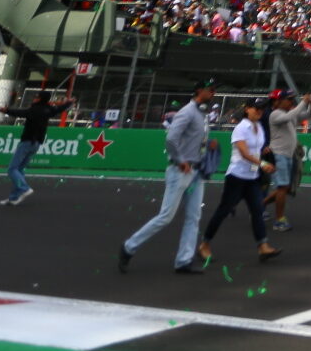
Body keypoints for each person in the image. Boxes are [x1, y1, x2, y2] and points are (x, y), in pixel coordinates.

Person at [119, 80, 215, 274]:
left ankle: (184, 260)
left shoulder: (201, 113)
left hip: (196, 170)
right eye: (210, 89)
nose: (213, 92)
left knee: (193, 217)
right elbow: (171, 138)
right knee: (166, 216)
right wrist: (180, 160)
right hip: (181, 170)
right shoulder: (187, 112)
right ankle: (129, 247)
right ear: (199, 91)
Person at [197, 101, 281, 266]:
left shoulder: (259, 129)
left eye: (262, 109)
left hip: (252, 177)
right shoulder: (241, 128)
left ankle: (263, 246)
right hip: (236, 176)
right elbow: (243, 153)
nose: (260, 111)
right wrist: (262, 164)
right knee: (223, 210)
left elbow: (257, 150)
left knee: (257, 210)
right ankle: (204, 244)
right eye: (256, 108)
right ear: (247, 109)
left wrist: (264, 158)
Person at [0, 90, 74, 205]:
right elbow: (59, 109)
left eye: (36, 97)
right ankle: (14, 197)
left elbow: (21, 113)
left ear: (40, 98)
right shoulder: (49, 109)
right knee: (20, 170)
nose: (34, 98)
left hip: (28, 141)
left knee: (12, 169)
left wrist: (6, 110)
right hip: (36, 143)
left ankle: (24, 188)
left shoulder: (35, 110)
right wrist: (68, 103)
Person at [263, 89, 311, 232]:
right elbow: (293, 114)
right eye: (289, 99)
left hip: (288, 155)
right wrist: (303, 102)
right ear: (279, 101)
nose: (291, 102)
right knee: (283, 188)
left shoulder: (289, 114)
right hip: (278, 155)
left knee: (286, 188)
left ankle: (259, 206)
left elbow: (309, 115)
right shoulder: (275, 114)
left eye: (292, 100)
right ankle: (279, 220)